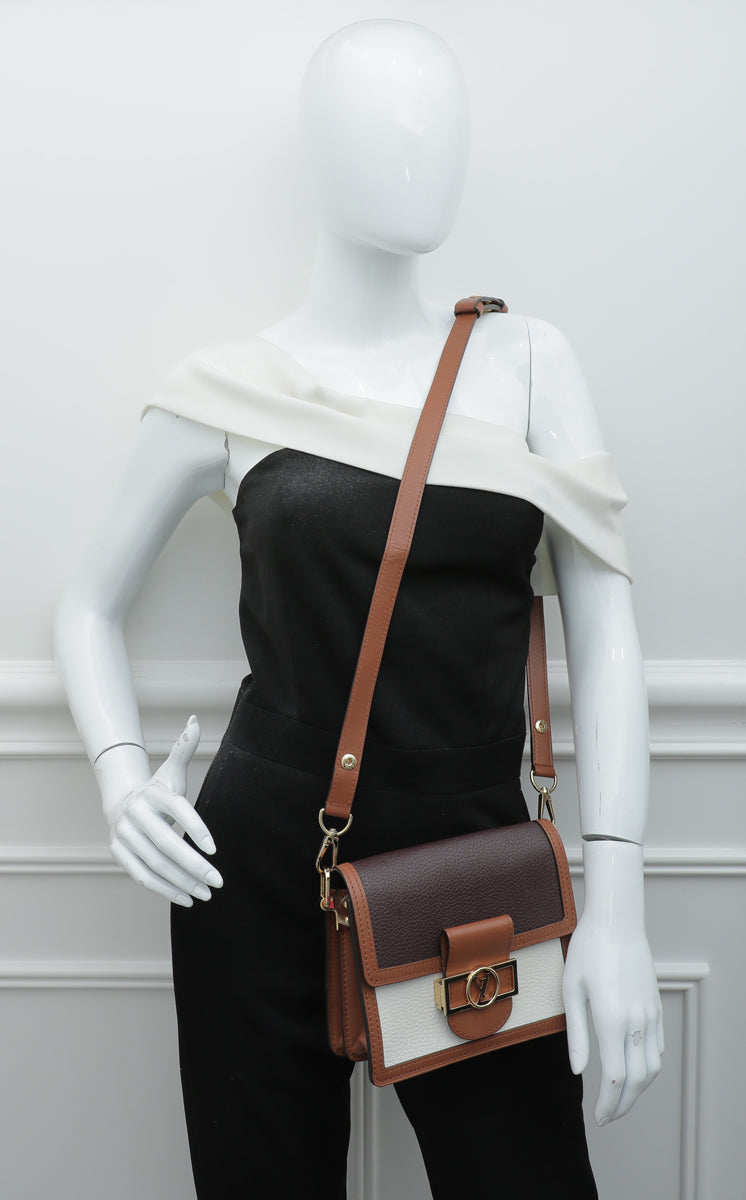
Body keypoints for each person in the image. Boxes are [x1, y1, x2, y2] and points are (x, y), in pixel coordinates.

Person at [55, 19, 662, 1200]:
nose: (419, 151)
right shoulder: (227, 390)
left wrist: (619, 903)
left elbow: (605, 629)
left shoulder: (526, 361)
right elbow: (86, 605)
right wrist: (123, 781)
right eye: (380, 123)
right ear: (316, 149)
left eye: (441, 124)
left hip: (473, 863)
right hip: (253, 865)